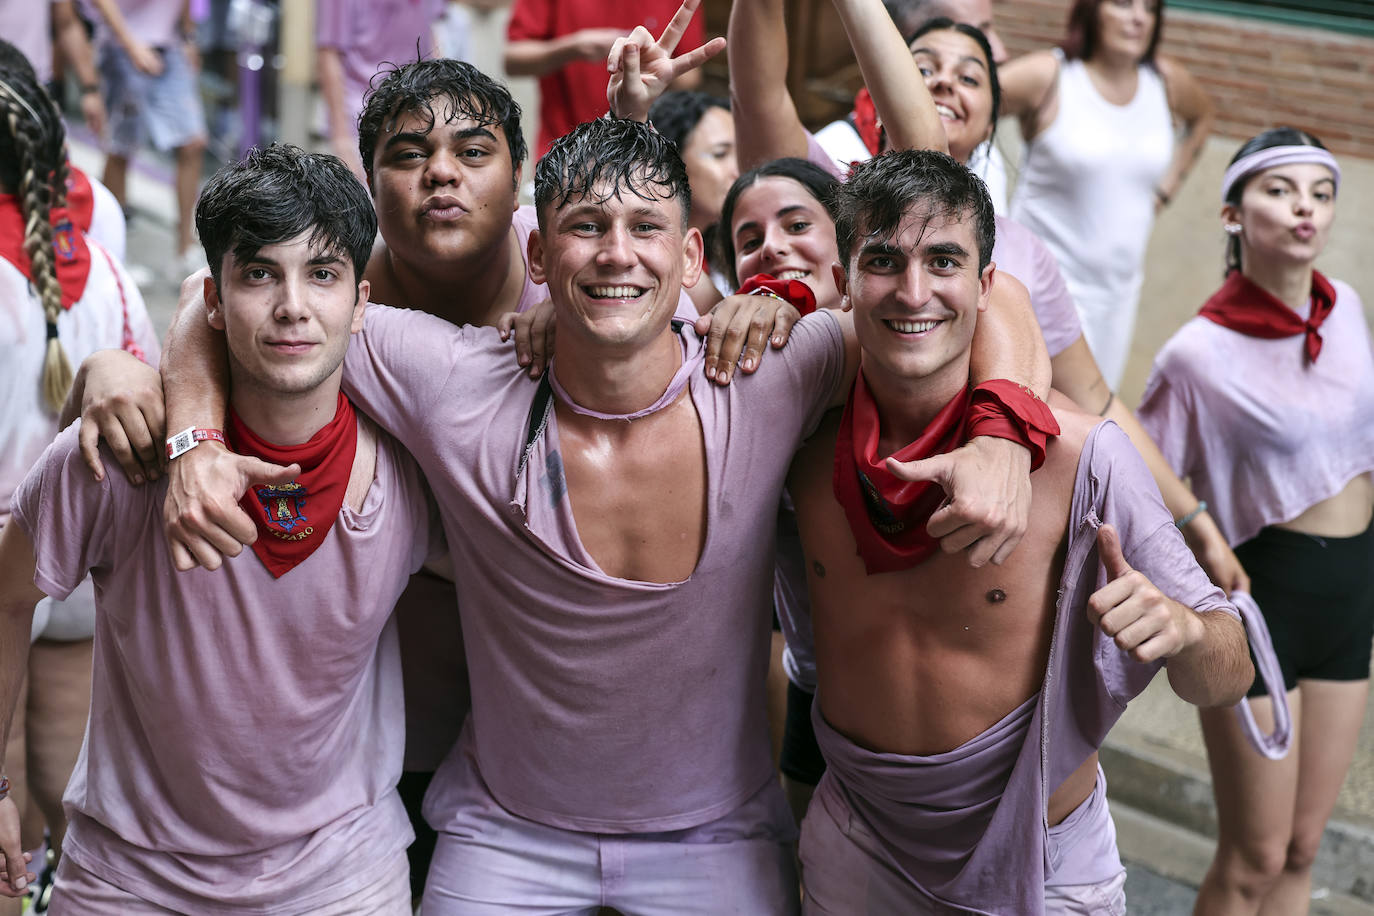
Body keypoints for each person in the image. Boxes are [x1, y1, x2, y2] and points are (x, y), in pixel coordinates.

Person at [123, 101, 1048, 911]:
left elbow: (970, 292)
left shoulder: (771, 372)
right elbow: (242, 305)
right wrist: (191, 440)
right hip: (505, 832)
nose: (616, 253)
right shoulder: (452, 380)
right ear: (537, 247)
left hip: (715, 836)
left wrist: (1004, 432)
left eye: (646, 227)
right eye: (586, 227)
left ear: (691, 256)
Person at [789, 147, 1253, 915]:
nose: (914, 291)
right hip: (858, 845)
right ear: (843, 283)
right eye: (882, 260)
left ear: (986, 286)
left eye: (944, 260)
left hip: (1045, 855)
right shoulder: (802, 446)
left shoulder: (1082, 457)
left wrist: (1182, 631)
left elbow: (1227, 673)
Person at [0, 143, 441, 913]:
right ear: (211, 298)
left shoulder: (414, 467)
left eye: (323, 274)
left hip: (340, 876)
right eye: (260, 273)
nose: (293, 305)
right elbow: (5, 597)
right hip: (129, 877)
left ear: (362, 302)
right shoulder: (118, 457)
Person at [1137, 129, 1374, 916]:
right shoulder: (1199, 353)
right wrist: (1200, 526)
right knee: (1255, 857)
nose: (1305, 206)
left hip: (1348, 590)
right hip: (1262, 596)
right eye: (1280, 189)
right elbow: (1135, 465)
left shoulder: (1346, 311)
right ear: (1234, 213)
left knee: (1304, 849)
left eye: (1321, 190)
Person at [0, 64, 158, 916]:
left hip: (7, 550)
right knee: (66, 742)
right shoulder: (99, 226)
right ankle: (71, 893)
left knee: (3, 756)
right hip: (88, 528)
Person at [999, 0, 1213, 388]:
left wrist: (1164, 193)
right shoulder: (1053, 74)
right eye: (1123, 4)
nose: (1138, 17)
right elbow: (970, 101)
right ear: (1092, 10)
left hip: (1117, 293)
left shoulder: (1164, 81)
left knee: (1092, 421)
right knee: (1035, 414)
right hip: (1040, 288)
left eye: (1149, 8)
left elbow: (1202, 117)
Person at [812, 0, 1012, 211]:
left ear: (989, 125)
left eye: (969, 78)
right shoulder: (827, 157)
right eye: (923, 70)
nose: (943, 81)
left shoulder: (991, 167)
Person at [86, 0, 208, 276]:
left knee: (192, 143)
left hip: (171, 46)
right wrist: (131, 45)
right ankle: (112, 256)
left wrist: (188, 36)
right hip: (120, 48)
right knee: (120, 149)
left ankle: (185, 250)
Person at [504, 0, 707, 158]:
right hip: (565, 149)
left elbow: (689, 75)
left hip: (647, 149)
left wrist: (650, 72)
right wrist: (574, 47)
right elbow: (513, 59)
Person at [316, 0, 444, 179]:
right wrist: (341, 138)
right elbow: (329, 52)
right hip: (359, 116)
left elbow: (428, 34)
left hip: (414, 112)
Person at [647, 90, 738, 312]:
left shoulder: (715, 259)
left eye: (740, 156)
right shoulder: (651, 253)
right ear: (671, 163)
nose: (738, 171)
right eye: (720, 154)